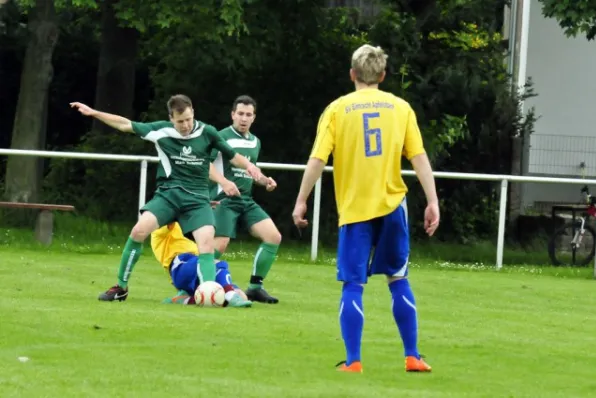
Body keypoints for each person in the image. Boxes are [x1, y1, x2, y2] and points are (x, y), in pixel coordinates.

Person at [292, 44, 439, 373]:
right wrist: (432, 200)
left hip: (356, 209)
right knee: (398, 279)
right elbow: (418, 157)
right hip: (392, 206)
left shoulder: (337, 109)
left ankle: (354, 361)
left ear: (352, 74)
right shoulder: (401, 108)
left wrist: (302, 199)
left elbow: (318, 159)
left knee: (353, 285)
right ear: (383, 76)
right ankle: (412, 355)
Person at [70, 94, 267, 302]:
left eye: (189, 119)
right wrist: (94, 113)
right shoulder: (161, 131)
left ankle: (208, 293)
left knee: (207, 243)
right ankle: (121, 287)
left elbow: (233, 156)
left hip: (198, 199)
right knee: (138, 231)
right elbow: (125, 125)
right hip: (169, 195)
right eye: (180, 121)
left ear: (193, 113)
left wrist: (250, 167)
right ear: (171, 119)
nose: (185, 125)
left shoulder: (207, 132)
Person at [208, 95, 281, 304]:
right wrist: (222, 183)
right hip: (224, 199)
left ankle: (255, 288)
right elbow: (207, 165)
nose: (244, 118)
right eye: (240, 113)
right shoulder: (220, 137)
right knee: (219, 245)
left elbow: (251, 172)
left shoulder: (255, 142)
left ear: (254, 118)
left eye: (248, 115)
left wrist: (266, 181)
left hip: (246, 200)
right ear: (232, 114)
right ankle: (196, 281)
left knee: (273, 237)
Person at [151, 221, 252, 307]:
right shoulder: (159, 228)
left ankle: (185, 300)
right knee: (217, 264)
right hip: (181, 263)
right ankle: (229, 293)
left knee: (241, 295)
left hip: (192, 272)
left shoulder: (185, 232)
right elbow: (171, 215)